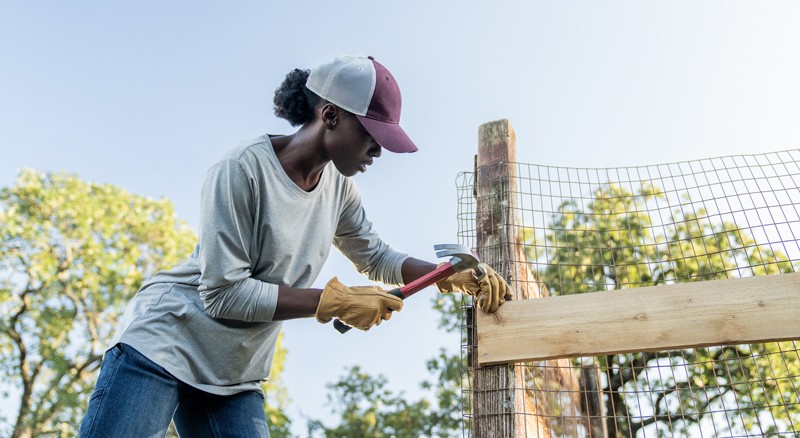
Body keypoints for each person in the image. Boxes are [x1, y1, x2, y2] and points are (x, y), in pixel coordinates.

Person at [78, 55, 512, 437]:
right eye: (372, 134)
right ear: (330, 114)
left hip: (234, 372)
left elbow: (376, 257)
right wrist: (334, 301)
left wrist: (449, 274)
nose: (378, 151)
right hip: (166, 339)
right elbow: (222, 293)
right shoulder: (241, 169)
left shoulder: (339, 189)